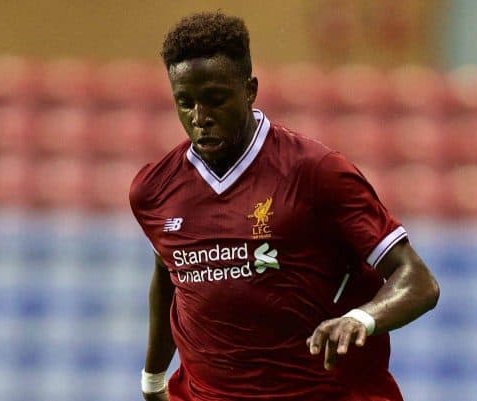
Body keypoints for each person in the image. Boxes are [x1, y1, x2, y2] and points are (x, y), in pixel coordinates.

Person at [129, 11, 440, 401]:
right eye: (185, 103)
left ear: (249, 89)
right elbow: (168, 275)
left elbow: (418, 280)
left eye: (215, 99)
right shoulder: (154, 189)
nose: (200, 117)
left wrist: (361, 318)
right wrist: (154, 378)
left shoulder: (315, 172)